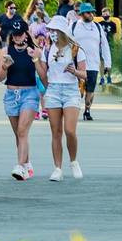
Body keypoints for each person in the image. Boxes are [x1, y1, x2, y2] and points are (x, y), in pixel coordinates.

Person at [37, 19, 86, 182]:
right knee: (55, 131)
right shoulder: (47, 48)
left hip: (71, 90)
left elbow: (85, 74)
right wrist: (36, 60)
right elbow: (43, 73)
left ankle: (73, 161)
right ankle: (58, 168)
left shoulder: (75, 49)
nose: (52, 33)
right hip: (53, 90)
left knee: (70, 130)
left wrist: (75, 72)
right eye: (50, 30)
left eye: (55, 30)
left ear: (63, 31)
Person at [0, 20, 40, 181]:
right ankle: (27, 164)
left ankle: (20, 166)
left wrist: (36, 59)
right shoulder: (5, 51)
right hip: (11, 94)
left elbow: (43, 75)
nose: (17, 37)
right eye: (14, 35)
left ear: (26, 33)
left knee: (22, 131)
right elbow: (0, 78)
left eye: (20, 34)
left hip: (29, 93)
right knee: (19, 134)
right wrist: (4, 67)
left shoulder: (34, 50)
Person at [71, 2, 111, 120]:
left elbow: (105, 46)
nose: (91, 14)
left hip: (93, 63)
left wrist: (108, 64)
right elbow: (65, 43)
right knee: (79, 91)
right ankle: (74, 109)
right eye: (89, 12)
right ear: (82, 14)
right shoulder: (74, 26)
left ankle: (87, 110)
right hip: (78, 64)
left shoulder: (97, 27)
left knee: (90, 90)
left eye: (92, 12)